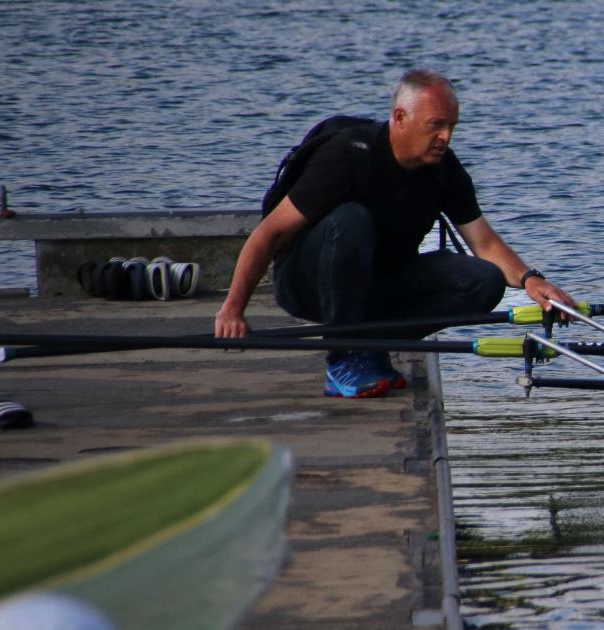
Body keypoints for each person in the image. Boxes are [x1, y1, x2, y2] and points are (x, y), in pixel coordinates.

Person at [215, 68, 575, 398]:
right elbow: (268, 234)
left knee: (485, 280)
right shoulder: (347, 157)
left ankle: (370, 344)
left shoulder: (443, 169)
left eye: (452, 126)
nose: (445, 137)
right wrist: (233, 309)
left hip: (379, 283)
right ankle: (342, 358)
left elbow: (484, 242)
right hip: (306, 281)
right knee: (352, 220)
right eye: (436, 125)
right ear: (400, 118)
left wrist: (532, 281)